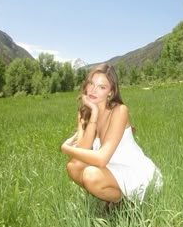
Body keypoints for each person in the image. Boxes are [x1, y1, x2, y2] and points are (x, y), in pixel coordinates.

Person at [61, 63, 162, 206]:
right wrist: (93, 115)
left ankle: (126, 204)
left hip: (131, 171)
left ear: (110, 92)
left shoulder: (120, 111)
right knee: (73, 167)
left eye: (102, 87)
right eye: (91, 84)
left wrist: (66, 148)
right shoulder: (84, 113)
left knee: (90, 175)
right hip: (110, 169)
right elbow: (82, 151)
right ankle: (114, 200)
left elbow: (101, 159)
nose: (93, 90)